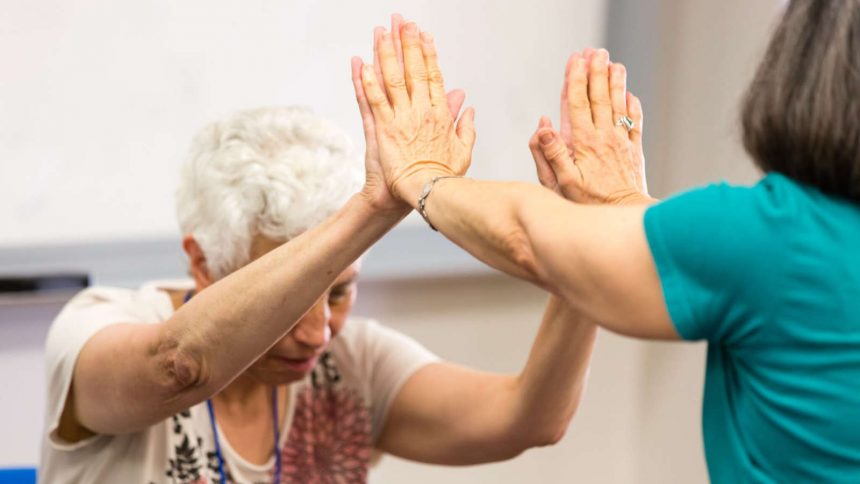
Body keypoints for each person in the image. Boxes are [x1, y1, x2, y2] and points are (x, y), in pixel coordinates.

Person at [38, 16, 608, 483]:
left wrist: (587, 241)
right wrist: (374, 208)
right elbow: (176, 367)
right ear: (202, 261)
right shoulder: (96, 327)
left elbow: (528, 418)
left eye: (338, 292)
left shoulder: (351, 365)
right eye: (294, 296)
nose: (316, 333)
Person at [357, 2, 860, 482]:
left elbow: (525, 238)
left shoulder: (775, 235)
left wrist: (426, 180)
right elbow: (685, 257)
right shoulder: (768, 243)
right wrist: (618, 201)